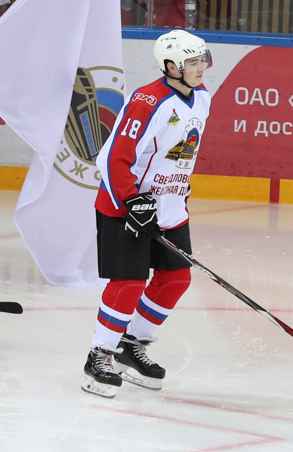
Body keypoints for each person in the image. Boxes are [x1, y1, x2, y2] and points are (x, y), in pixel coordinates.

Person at [82, 29, 211, 397]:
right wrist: (132, 200)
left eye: (202, 60)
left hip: (170, 207)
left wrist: (178, 188)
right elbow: (111, 157)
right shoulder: (147, 100)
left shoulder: (202, 97)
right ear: (171, 66)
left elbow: (181, 152)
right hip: (127, 206)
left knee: (176, 278)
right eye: (192, 62)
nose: (200, 67)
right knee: (129, 282)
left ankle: (130, 344)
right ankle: (99, 355)